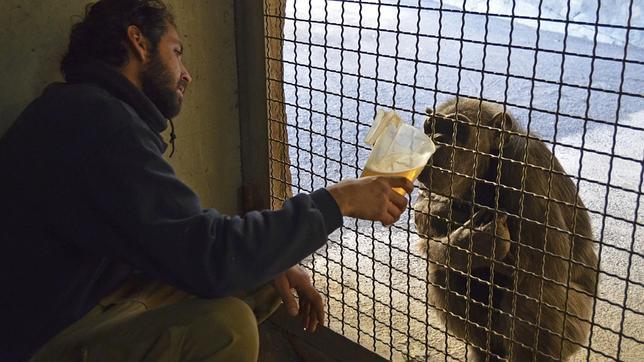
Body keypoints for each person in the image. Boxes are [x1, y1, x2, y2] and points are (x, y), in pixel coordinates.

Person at [0, 0, 413, 361]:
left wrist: (268, 259)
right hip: (39, 342)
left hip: (79, 300)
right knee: (227, 327)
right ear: (139, 43)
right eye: (177, 52)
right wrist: (337, 201)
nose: (187, 75)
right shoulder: (97, 124)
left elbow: (180, 238)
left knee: (265, 277)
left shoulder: (83, 111)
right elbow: (209, 254)